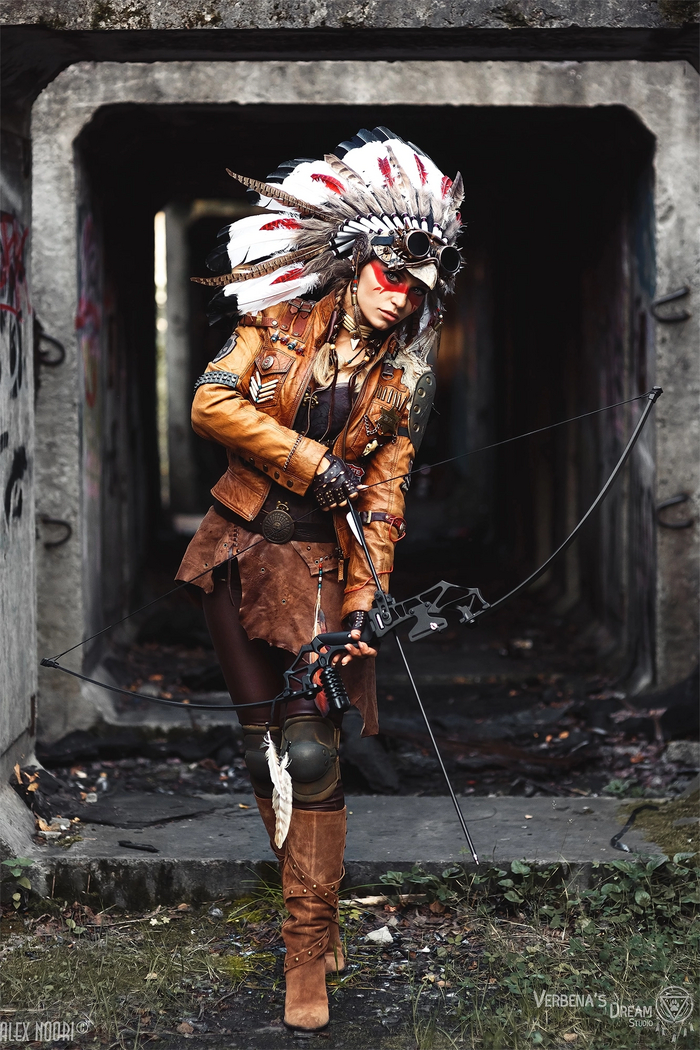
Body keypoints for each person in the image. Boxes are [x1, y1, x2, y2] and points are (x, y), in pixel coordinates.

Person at [177, 127, 463, 1032]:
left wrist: (367, 600)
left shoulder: (405, 378)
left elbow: (386, 499)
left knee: (312, 751)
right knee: (263, 750)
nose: (400, 296)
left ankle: (307, 951)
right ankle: (314, 906)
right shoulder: (272, 327)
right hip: (236, 555)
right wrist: (309, 460)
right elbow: (210, 403)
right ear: (354, 260)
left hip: (323, 573)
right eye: (391, 275)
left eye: (416, 288)